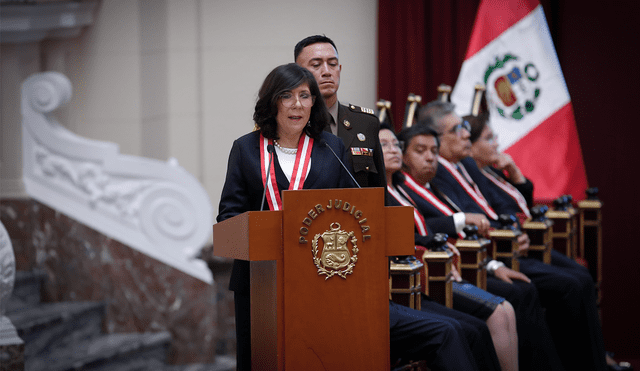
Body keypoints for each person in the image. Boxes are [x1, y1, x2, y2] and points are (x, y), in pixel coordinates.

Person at [419, 99, 607, 371]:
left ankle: (593, 362)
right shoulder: (436, 172)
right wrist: (501, 234)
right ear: (436, 138)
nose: (465, 134)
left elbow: (502, 204)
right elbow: (451, 222)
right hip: (488, 251)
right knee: (556, 286)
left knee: (578, 277)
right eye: (457, 129)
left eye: (464, 127)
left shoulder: (467, 164)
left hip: (505, 242)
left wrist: (511, 228)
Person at [217, 63, 356, 370]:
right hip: (260, 280)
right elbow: (228, 215)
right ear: (272, 102)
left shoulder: (332, 148)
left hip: (322, 276)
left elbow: (352, 211)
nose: (297, 104)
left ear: (313, 103)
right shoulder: (246, 149)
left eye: (305, 96)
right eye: (287, 96)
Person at [467, 112, 630, 371]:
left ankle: (596, 359)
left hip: (522, 243)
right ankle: (584, 363)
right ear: (470, 146)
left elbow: (523, 205)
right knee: (569, 285)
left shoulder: (491, 172)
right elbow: (504, 212)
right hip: (506, 250)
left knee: (581, 275)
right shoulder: (471, 176)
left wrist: (515, 173)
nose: (496, 143)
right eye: (489, 138)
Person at [396, 123, 564, 371]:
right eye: (421, 150)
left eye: (434, 150)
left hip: (461, 263)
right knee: (495, 312)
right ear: (405, 156)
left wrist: (493, 264)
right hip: (429, 274)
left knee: (509, 303)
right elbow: (420, 235)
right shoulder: (396, 190)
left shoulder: (435, 185)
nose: (431, 157)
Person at [382, 125, 514, 371]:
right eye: (384, 145)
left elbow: (425, 233)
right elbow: (408, 239)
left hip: (440, 269)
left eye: (395, 145)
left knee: (489, 319)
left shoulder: (401, 188)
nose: (393, 150)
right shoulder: (378, 193)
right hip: (419, 278)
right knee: (475, 325)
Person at [295, 35, 386, 188]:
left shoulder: (365, 122)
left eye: (332, 64)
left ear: (340, 69)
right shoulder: (291, 123)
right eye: (316, 65)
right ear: (298, 73)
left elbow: (380, 189)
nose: (327, 72)